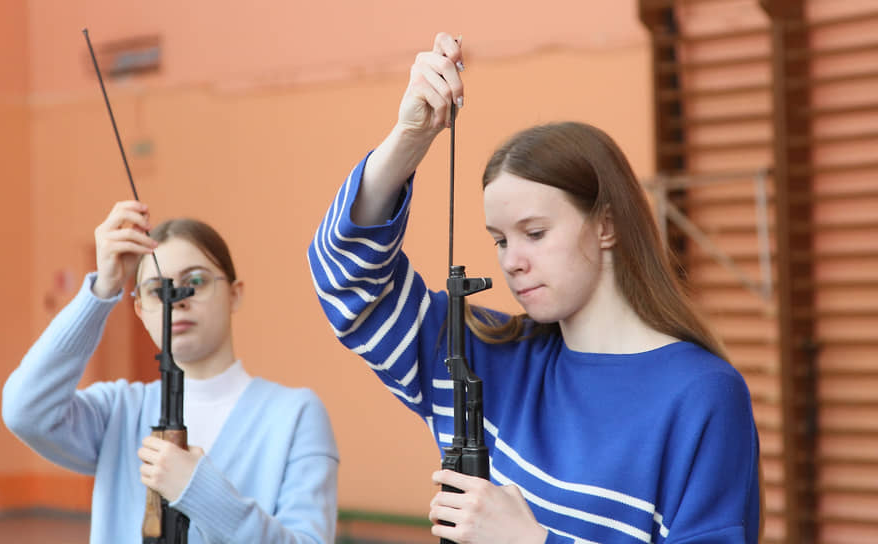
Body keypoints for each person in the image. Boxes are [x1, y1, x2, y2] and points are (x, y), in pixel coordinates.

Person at [308, 33, 760, 544]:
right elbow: (345, 277)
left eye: (536, 233)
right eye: (499, 240)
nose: (512, 262)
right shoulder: (493, 362)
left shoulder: (702, 395)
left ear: (606, 224)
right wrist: (411, 136)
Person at [4, 201, 339, 544]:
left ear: (234, 295)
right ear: (139, 309)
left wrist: (202, 493)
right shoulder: (119, 411)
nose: (177, 301)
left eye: (196, 281)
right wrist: (102, 290)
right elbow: (25, 410)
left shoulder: (294, 415)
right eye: (156, 290)